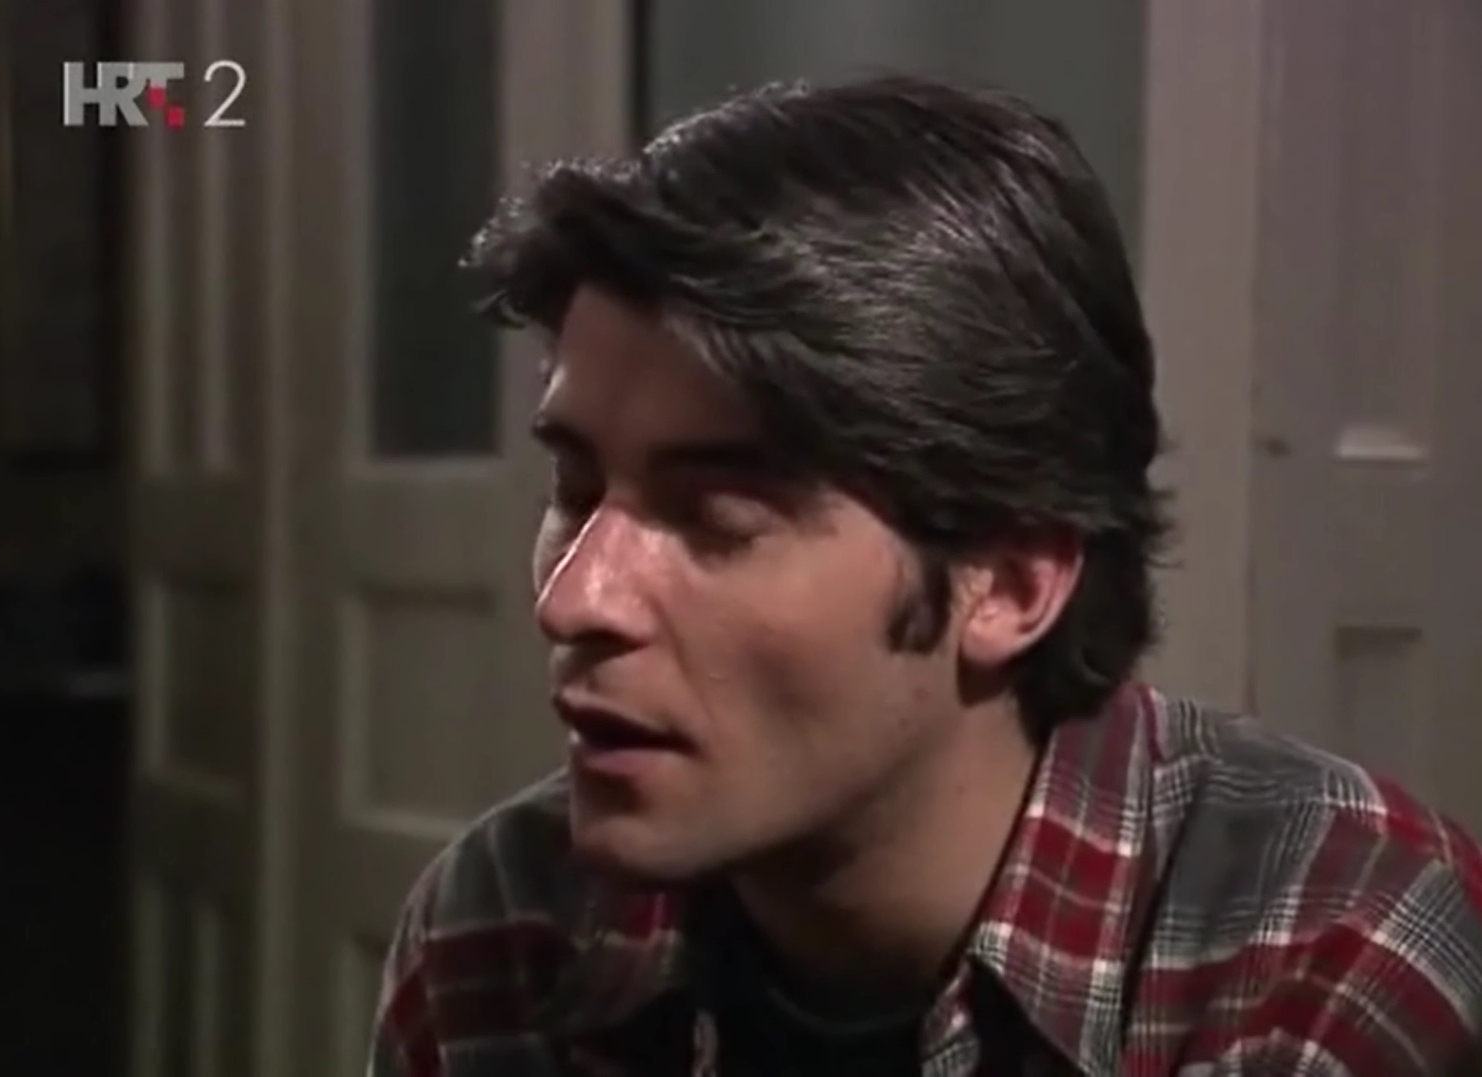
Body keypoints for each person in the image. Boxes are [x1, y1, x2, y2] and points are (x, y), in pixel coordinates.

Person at [365, 75, 1482, 1077]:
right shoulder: (501, 932)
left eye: (717, 519)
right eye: (575, 488)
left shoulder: (1332, 960)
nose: (573, 597)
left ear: (1012, 580)